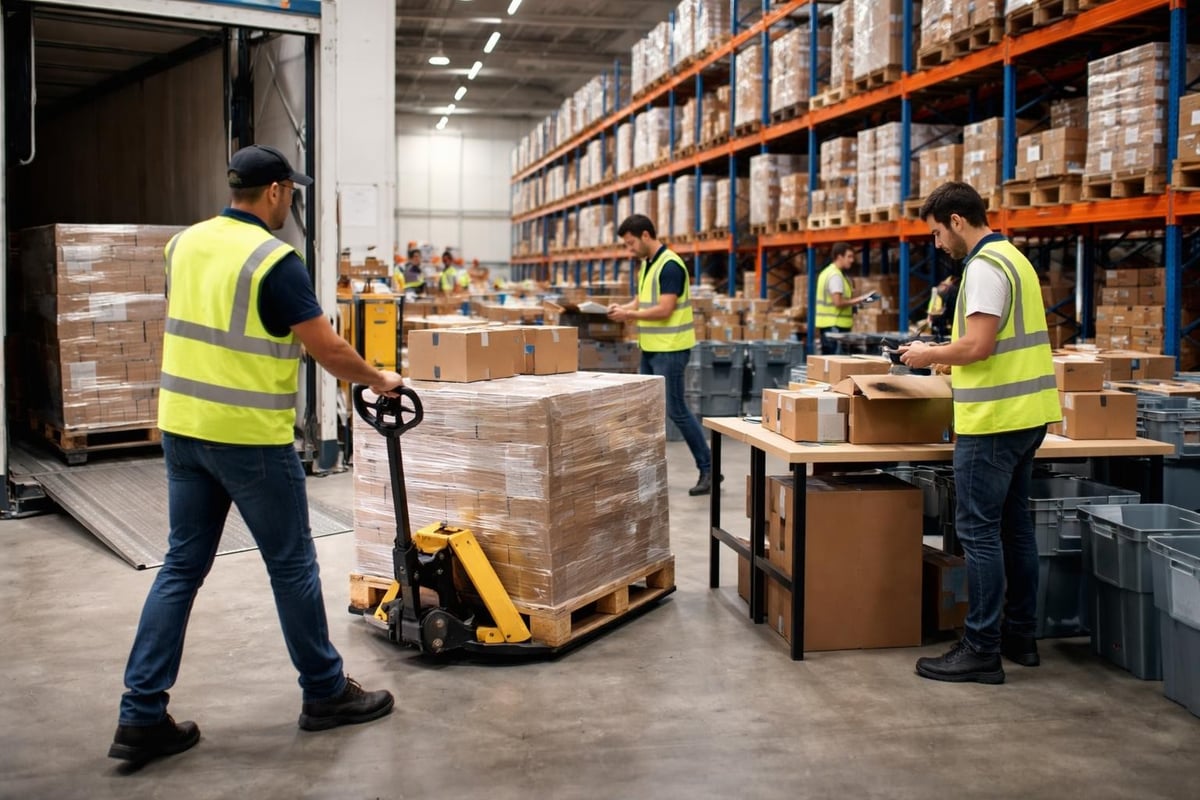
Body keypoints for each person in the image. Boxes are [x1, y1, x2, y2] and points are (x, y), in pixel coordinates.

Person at [109, 144, 401, 767]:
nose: (290, 201)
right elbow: (326, 349)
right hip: (248, 437)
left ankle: (140, 715)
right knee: (291, 564)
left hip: (183, 430)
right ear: (274, 191)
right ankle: (324, 694)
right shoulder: (275, 261)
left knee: (181, 566)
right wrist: (379, 381)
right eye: (290, 192)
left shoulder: (182, 244)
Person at [900, 181, 1060, 685]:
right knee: (1013, 529)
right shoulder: (1015, 258)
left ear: (957, 220)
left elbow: (980, 345)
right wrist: (953, 359)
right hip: (1027, 415)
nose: (937, 244)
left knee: (978, 533)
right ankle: (1019, 636)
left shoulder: (986, 266)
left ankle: (980, 649)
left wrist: (930, 355)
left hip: (994, 422)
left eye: (936, 233)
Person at [608, 214, 714, 496]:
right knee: (647, 410)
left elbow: (665, 309)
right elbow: (644, 299)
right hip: (652, 348)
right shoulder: (648, 264)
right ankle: (647, 472)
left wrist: (630, 314)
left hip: (672, 348)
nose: (630, 250)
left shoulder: (670, 266)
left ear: (645, 235)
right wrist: (625, 307)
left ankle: (708, 467)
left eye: (631, 244)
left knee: (676, 410)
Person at [814, 242, 873, 353]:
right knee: (835, 364)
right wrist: (861, 299)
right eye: (849, 256)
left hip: (829, 325)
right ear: (839, 257)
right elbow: (838, 302)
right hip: (835, 326)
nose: (852, 260)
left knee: (829, 365)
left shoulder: (826, 272)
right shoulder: (835, 276)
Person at [924, 275, 958, 341]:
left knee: (938, 332)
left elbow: (932, 302)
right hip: (941, 312)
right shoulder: (952, 288)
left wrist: (929, 315)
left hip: (937, 313)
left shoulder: (939, 288)